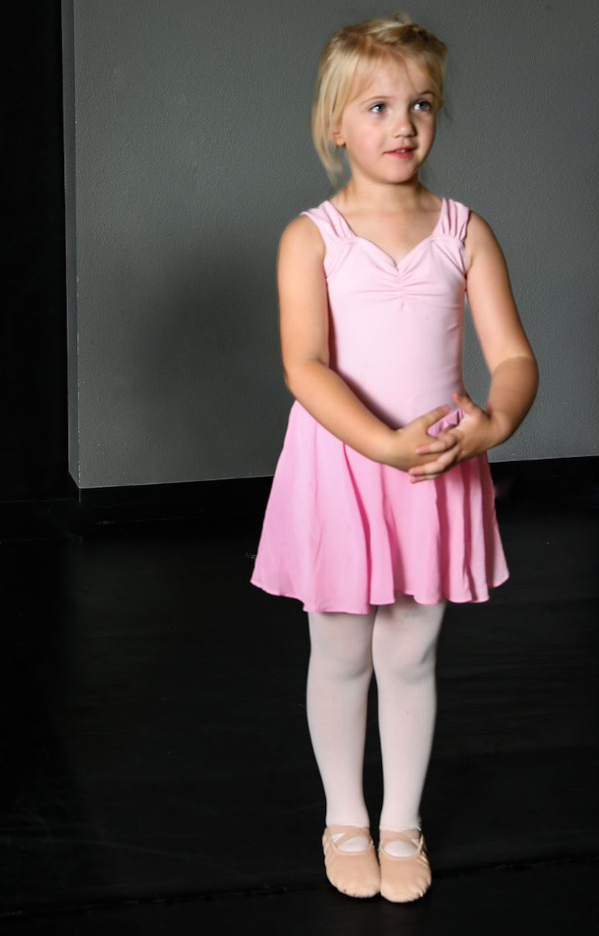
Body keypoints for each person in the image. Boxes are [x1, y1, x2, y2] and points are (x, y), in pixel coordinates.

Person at [251, 16, 538, 902]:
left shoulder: (464, 229)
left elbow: (515, 358)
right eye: (377, 106)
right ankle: (346, 815)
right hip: (346, 467)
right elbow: (304, 365)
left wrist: (493, 425)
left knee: (412, 654)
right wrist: (380, 441)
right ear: (336, 123)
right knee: (340, 653)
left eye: (419, 103)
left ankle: (401, 820)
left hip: (437, 470)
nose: (402, 123)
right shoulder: (312, 237)